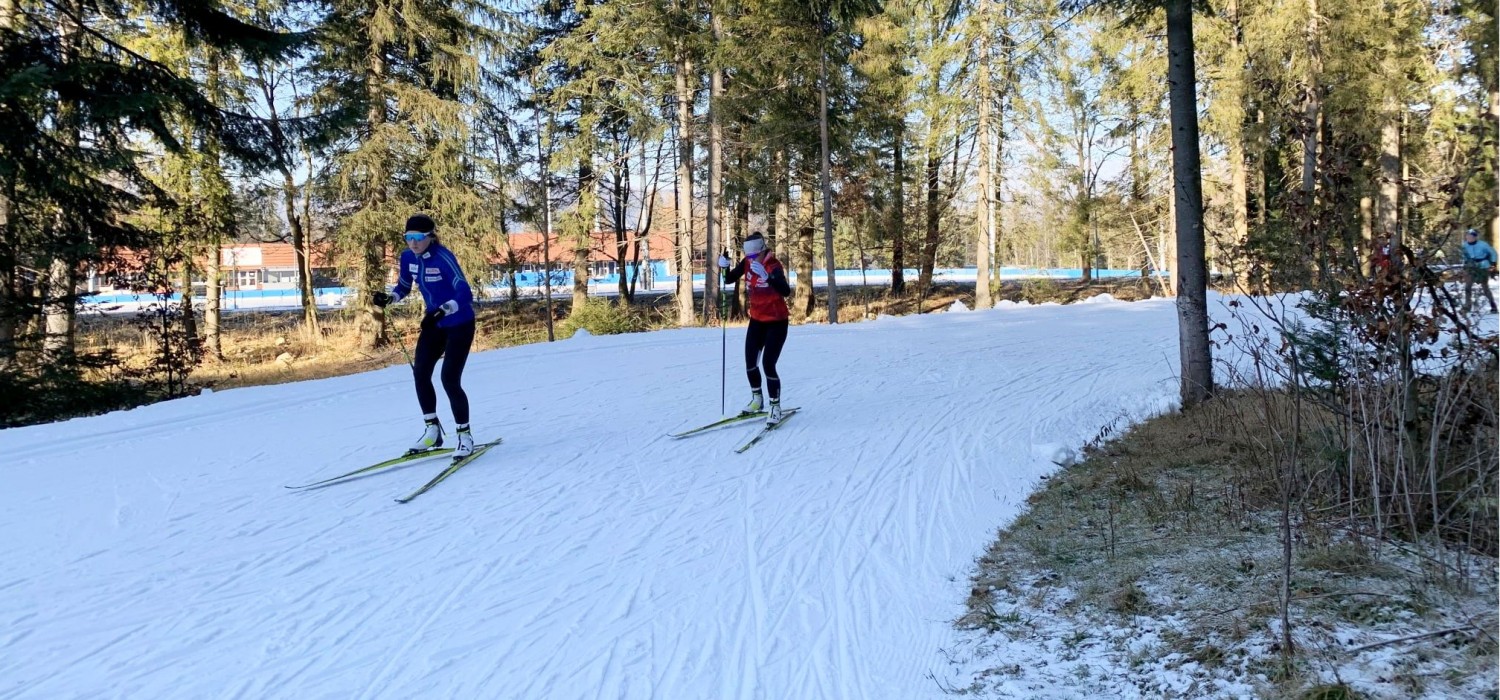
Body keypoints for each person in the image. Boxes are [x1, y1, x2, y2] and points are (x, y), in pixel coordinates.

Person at [373, 213, 480, 455]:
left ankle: (465, 436)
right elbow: (403, 286)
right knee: (420, 373)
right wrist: (390, 298)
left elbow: (465, 293)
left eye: (418, 237)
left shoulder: (443, 257)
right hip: (434, 324)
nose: (413, 242)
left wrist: (444, 310)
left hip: (459, 323)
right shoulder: (408, 257)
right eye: (408, 237)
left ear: (430, 236)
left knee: (449, 379)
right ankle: (432, 432)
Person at [719, 232, 793, 423]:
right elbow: (728, 279)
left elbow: (785, 291)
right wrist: (724, 268)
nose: (751, 260)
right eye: (748, 256)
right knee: (750, 363)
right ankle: (757, 399)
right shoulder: (747, 263)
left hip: (777, 322)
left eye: (753, 256)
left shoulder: (774, 265)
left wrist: (767, 277)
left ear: (762, 250)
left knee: (768, 364)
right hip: (757, 321)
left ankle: (775, 406)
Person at [1460, 228, 1498, 314]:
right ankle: (1467, 306)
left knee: (1485, 288)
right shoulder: (1464, 245)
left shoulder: (1483, 245)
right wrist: (1465, 266)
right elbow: (1464, 256)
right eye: (1467, 236)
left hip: (1483, 267)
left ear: (1475, 237)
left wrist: (1493, 264)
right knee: (1467, 287)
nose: (1469, 238)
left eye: (1471, 236)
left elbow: (1493, 253)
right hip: (1470, 267)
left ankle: (1493, 305)